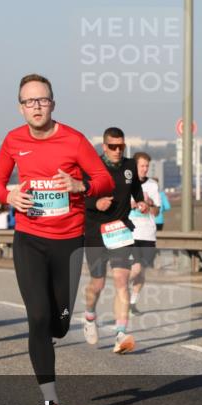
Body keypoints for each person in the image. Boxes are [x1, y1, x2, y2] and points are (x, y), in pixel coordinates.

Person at [0, 73, 113, 405]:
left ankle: (59, 330)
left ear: (52, 103)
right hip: (29, 239)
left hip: (69, 242)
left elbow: (103, 179)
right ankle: (51, 401)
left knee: (58, 324)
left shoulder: (73, 140)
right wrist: (7, 195)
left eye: (42, 100)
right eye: (29, 101)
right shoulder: (13, 140)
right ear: (21, 107)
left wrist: (80, 184)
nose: (36, 106)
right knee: (38, 318)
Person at [82, 127, 148, 354]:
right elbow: (80, 196)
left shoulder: (130, 166)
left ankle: (120, 333)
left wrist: (140, 201)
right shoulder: (91, 167)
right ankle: (89, 315)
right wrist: (96, 204)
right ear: (104, 146)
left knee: (122, 279)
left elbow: (136, 188)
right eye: (113, 147)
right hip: (95, 232)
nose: (118, 151)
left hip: (119, 230)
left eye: (121, 146)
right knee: (97, 284)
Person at [127, 152, 161, 317]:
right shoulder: (126, 184)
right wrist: (131, 205)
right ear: (135, 166)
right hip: (131, 233)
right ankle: (121, 290)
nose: (145, 169)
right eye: (142, 166)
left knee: (142, 272)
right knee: (136, 268)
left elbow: (156, 212)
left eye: (147, 166)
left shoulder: (153, 185)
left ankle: (132, 302)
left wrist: (150, 203)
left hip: (148, 234)